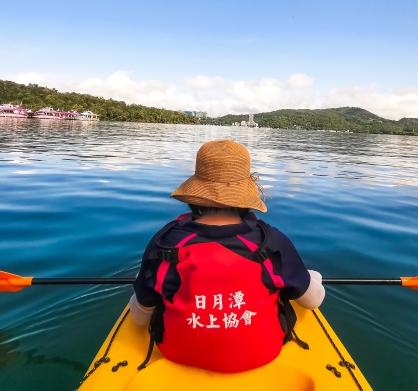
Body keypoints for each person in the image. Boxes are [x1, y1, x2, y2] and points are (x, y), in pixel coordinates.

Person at [130, 139, 325, 373]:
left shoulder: (167, 242)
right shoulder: (272, 242)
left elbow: (140, 318)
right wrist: (314, 277)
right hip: (263, 354)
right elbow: (313, 301)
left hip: (176, 352)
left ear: (195, 195)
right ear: (245, 197)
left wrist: (141, 281)